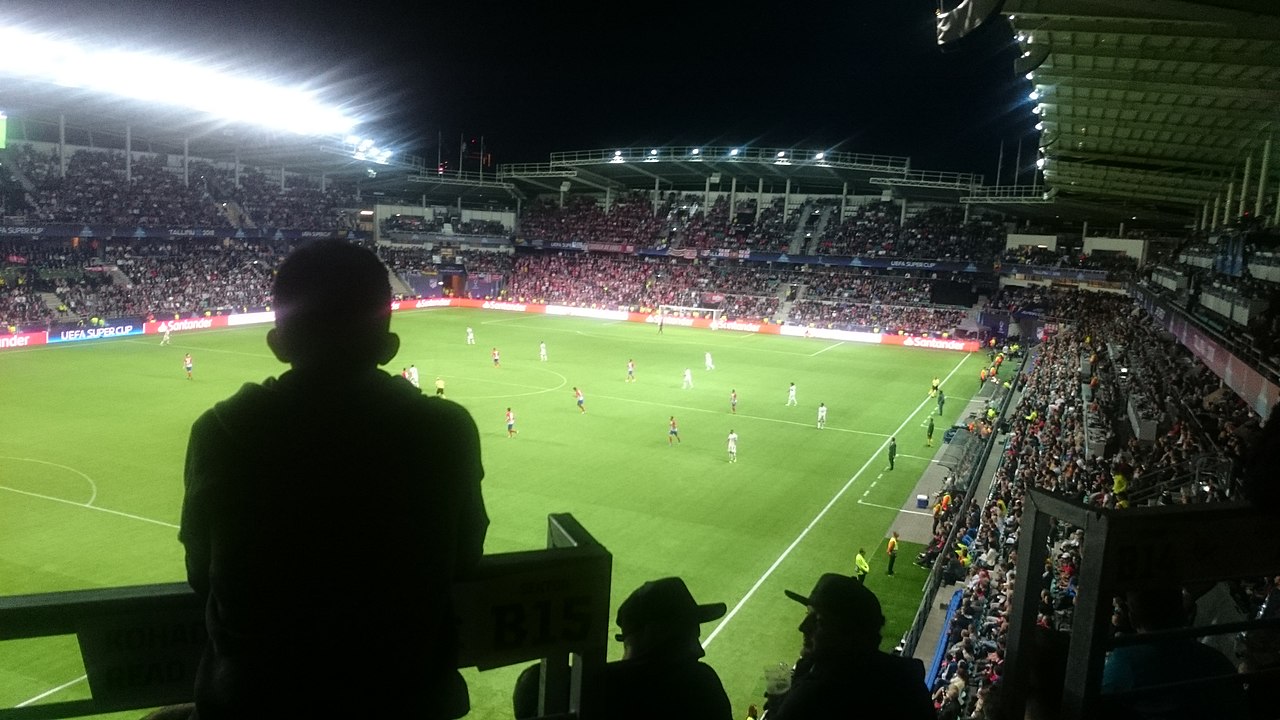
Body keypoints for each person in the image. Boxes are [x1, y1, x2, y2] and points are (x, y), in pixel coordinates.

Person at [179, 240, 488, 720]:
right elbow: (465, 560)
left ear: (277, 344)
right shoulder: (446, 430)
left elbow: (202, 574)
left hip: (255, 700)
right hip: (408, 697)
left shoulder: (219, 431)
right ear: (389, 346)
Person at [512, 577, 732, 720]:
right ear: (654, 635)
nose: (700, 650)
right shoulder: (701, 685)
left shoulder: (575, 692)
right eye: (689, 638)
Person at [764, 573, 933, 719]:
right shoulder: (906, 681)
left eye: (819, 621)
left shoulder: (815, 697)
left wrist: (780, 705)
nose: (802, 627)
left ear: (850, 634)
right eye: (808, 614)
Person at [1101, 585, 1249, 719]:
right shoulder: (1216, 660)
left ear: (1132, 618)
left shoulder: (1125, 663)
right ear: (1181, 611)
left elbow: (1095, 701)